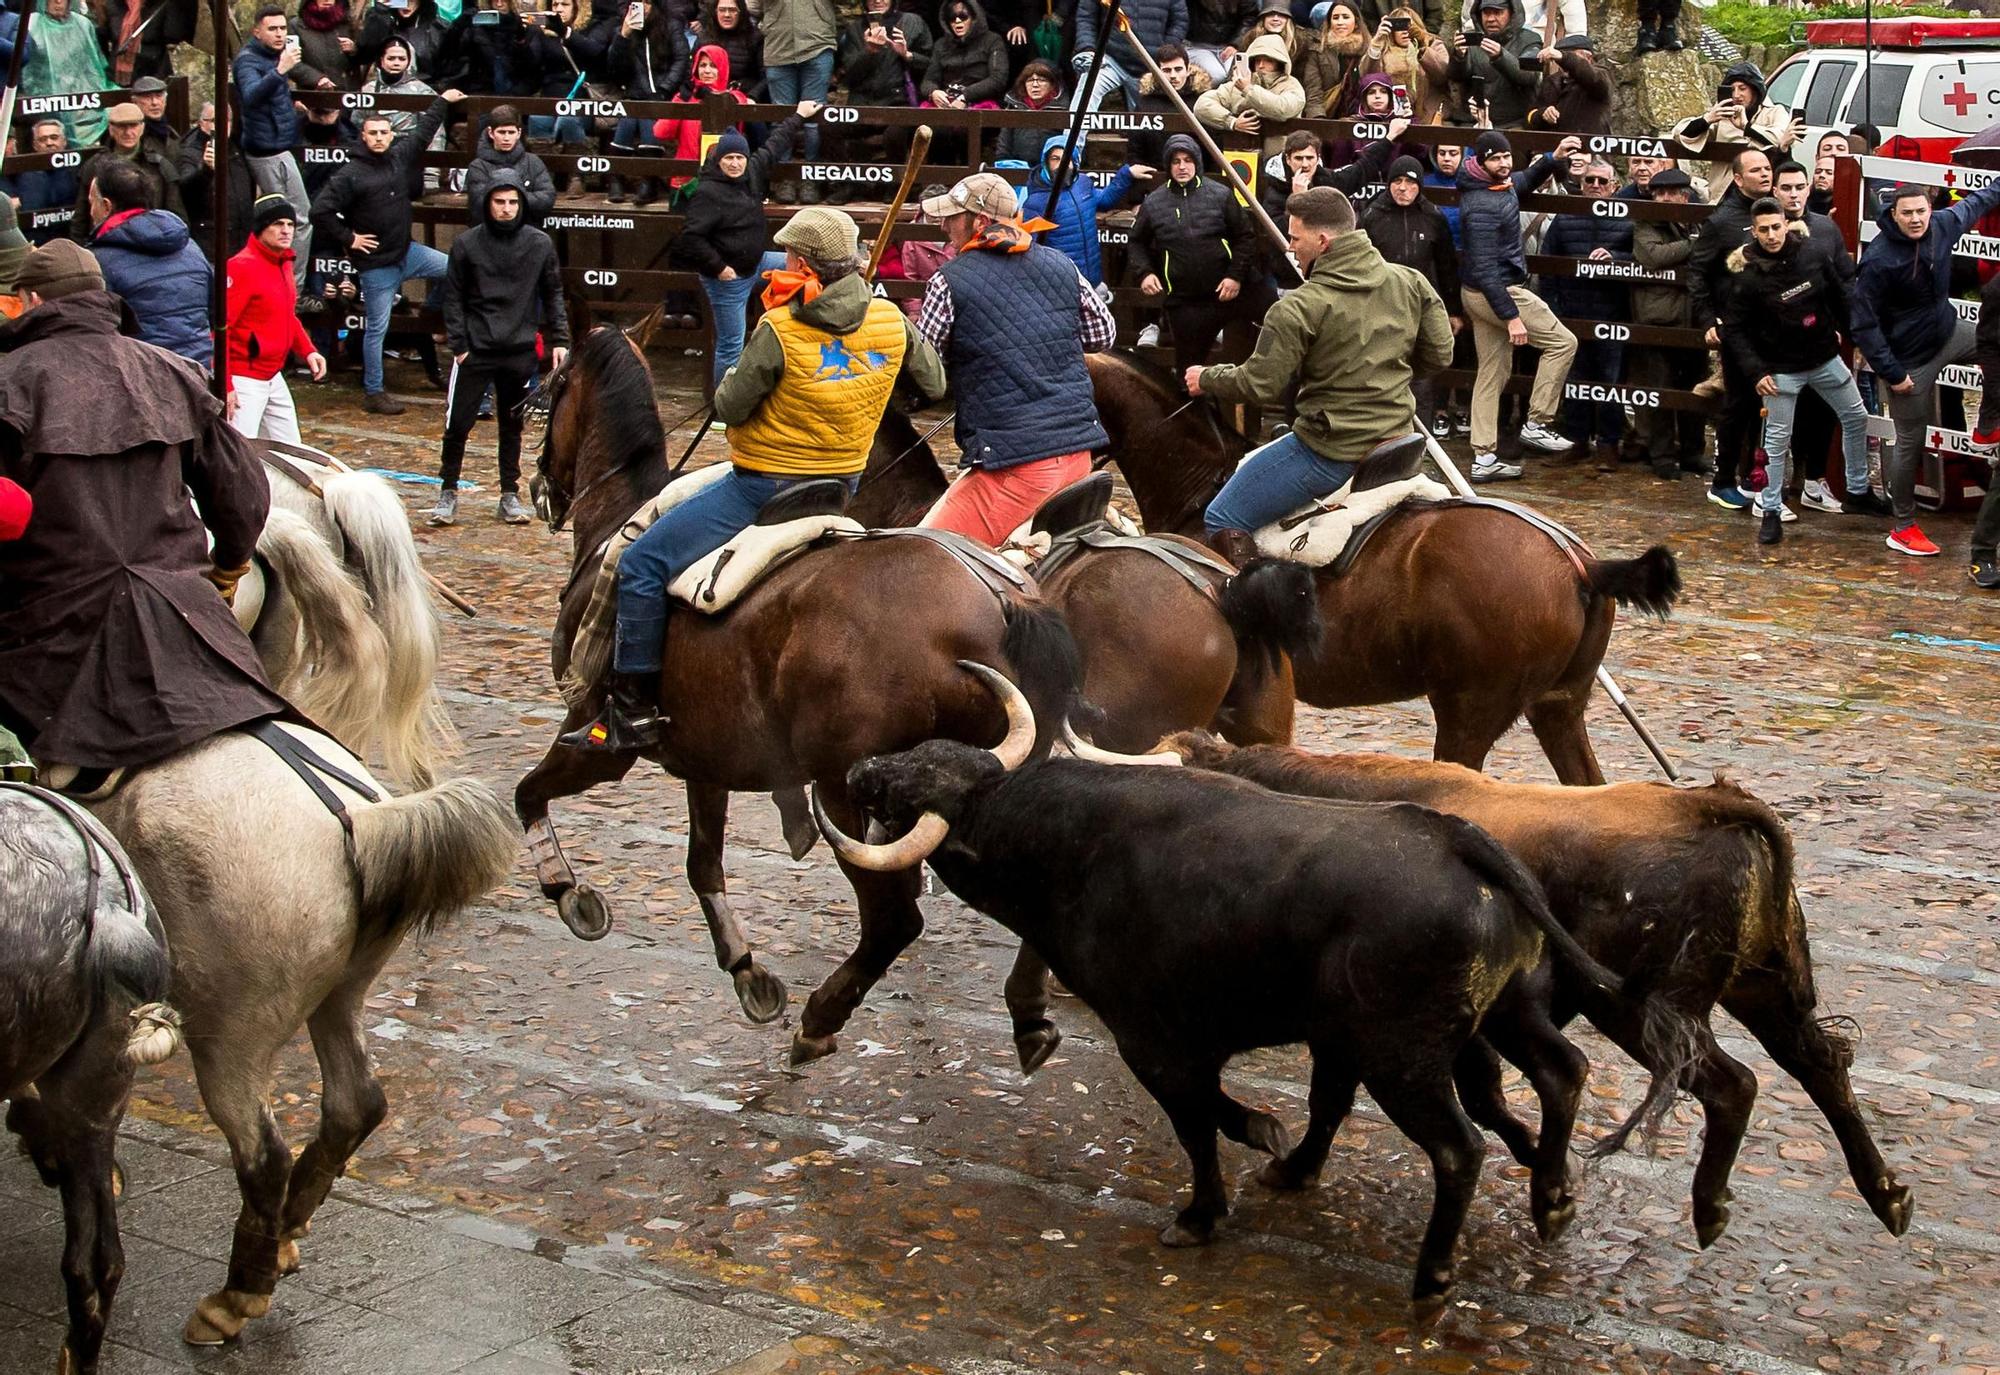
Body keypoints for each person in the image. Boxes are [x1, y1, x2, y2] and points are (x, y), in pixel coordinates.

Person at [558, 206, 946, 752]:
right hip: (842, 486)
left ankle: (632, 710)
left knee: (642, 563)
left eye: (788, 254)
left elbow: (729, 405)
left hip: (762, 487)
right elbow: (932, 384)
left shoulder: (780, 327)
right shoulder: (889, 318)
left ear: (803, 264)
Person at [0, 240, 288, 774]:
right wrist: (227, 571)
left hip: (46, 635)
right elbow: (244, 497)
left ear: (32, 299)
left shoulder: (6, 383)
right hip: (183, 611)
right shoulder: (173, 370)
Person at [1191, 186, 1451, 563]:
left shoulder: (1298, 306)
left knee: (1222, 516)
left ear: (1323, 240)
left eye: (1295, 238)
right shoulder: (1411, 282)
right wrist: (1386, 375)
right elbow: (1440, 354)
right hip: (1397, 438)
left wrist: (1208, 378)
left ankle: (1254, 613)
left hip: (1332, 451)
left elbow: (1261, 385)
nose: (1290, 248)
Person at [915, 172, 1115, 545]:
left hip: (1014, 465)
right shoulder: (1062, 265)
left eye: (952, 216)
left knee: (923, 556)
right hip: (1077, 455)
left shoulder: (948, 280)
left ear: (980, 222)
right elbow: (1103, 335)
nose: (943, 225)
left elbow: (927, 369)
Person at [1854, 177, 2000, 558]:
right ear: (1894, 214)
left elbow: (1980, 201)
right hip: (1908, 360)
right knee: (1909, 442)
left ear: (1930, 210)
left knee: (1997, 343)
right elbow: (1863, 324)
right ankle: (1903, 526)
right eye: (1908, 213)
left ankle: (1987, 425)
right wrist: (1891, 372)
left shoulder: (1942, 225)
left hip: (1949, 331)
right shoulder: (1879, 259)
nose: (1916, 219)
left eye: (1921, 211)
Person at [1719, 200, 1873, 549]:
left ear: (1787, 224)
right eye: (1764, 229)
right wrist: (1757, 371)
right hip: (1780, 370)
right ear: (1753, 231)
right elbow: (1735, 331)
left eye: (1776, 227)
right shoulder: (1746, 278)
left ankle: (1859, 489)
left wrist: (1855, 338)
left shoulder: (1814, 254)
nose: (1771, 235)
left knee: (1856, 415)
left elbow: (1840, 297)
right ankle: (1770, 509)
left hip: (1823, 358)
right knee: (1776, 441)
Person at [429, 170, 569, 527]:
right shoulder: (466, 244)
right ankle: (448, 490)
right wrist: (459, 346)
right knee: (458, 423)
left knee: (512, 425)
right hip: (476, 349)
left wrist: (560, 340)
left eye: (512, 202)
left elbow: (552, 293)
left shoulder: (538, 244)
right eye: (499, 201)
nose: (506, 209)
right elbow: (453, 297)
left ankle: (509, 493)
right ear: (487, 202)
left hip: (518, 349)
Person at [309, 92, 457, 413]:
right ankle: (374, 392)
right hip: (377, 266)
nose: (378, 138)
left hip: (408, 252)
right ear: (363, 135)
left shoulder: (398, 156)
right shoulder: (350, 174)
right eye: (372, 133)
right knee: (377, 328)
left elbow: (423, 131)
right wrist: (349, 238)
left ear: (391, 135)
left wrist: (442, 101)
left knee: (456, 268)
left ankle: (432, 310)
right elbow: (319, 211)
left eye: (383, 133)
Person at [1456, 129, 1578, 480]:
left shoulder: (1496, 184)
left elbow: (1522, 180)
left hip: (1480, 293)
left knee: (1491, 375)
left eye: (1507, 156)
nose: (1504, 163)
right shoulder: (1480, 205)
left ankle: (1483, 457)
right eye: (1496, 158)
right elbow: (1483, 266)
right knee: (1563, 343)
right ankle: (1538, 421)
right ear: (1481, 162)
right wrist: (1511, 317)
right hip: (1499, 291)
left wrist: (1553, 158)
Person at [667, 103, 812, 383]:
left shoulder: (751, 173)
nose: (735, 163)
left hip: (758, 262)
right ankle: (724, 411)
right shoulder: (708, 191)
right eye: (729, 158)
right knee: (731, 345)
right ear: (719, 160)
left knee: (808, 266)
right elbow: (690, 238)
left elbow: (773, 145)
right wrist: (720, 268)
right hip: (727, 278)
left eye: (739, 157)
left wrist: (799, 116)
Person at [1129, 135, 1273, 377]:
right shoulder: (1154, 202)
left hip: (1231, 290)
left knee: (1278, 312)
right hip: (1187, 301)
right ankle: (1192, 410)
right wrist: (1144, 272)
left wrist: (1235, 276)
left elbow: (1245, 236)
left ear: (1197, 162)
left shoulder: (1220, 194)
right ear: (1168, 165)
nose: (1182, 166)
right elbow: (1136, 242)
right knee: (1188, 373)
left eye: (1187, 160)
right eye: (1176, 161)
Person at [1687, 147, 1772, 510]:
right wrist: (1707, 318)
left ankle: (1753, 474)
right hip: (1736, 326)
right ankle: (1722, 480)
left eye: (1767, 168)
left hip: (1772, 326)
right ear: (1738, 178)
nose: (1765, 175)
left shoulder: (1773, 213)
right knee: (1737, 404)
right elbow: (1698, 272)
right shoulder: (1722, 222)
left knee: (1764, 406)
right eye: (1756, 170)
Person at [1540, 155, 1628, 460]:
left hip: (1611, 312)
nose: (1595, 185)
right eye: (1590, 180)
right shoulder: (1565, 217)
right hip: (1571, 312)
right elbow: (1547, 264)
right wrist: (1553, 307)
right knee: (1574, 380)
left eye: (1602, 181)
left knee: (1610, 382)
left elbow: (1640, 259)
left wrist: (1616, 259)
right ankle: (1575, 441)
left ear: (1614, 186)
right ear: (1581, 183)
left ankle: (1608, 445)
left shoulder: (1627, 218)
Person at [1360, 156, 1458, 429]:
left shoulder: (1433, 217)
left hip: (1421, 309)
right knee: (1378, 376)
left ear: (1419, 185)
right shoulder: (1372, 215)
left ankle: (1421, 443)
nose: (1403, 188)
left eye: (1410, 182)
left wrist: (1454, 311)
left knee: (1422, 381)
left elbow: (1447, 265)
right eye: (1397, 181)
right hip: (1379, 309)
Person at [87, 160, 213, 368]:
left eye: (92, 202)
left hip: (143, 380)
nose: (90, 211)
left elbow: (97, 334)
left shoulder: (98, 261)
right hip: (198, 372)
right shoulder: (190, 247)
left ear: (107, 206)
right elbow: (215, 312)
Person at [224, 194, 328, 443]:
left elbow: (286, 315)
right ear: (261, 228)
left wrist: (308, 350)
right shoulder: (241, 267)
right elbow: (220, 329)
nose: (286, 231)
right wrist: (226, 384)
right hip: (244, 378)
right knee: (239, 456)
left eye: (290, 224)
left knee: (292, 451)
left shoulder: (283, 262)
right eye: (277, 224)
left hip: (272, 375)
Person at [1629, 167, 1708, 480]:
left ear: (1684, 196)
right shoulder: (1646, 223)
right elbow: (1652, 256)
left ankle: (1692, 453)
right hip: (1659, 321)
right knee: (1659, 393)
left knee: (1694, 393)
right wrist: (1694, 245)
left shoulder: (1691, 221)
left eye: (1671, 193)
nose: (1663, 198)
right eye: (1659, 192)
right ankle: (1662, 456)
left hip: (1691, 321)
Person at [236, 6, 318, 286]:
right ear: (256, 31)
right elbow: (250, 97)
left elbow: (270, 98)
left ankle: (288, 283)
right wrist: (281, 69)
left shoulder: (273, 57)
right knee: (288, 221)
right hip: (266, 153)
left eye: (283, 28)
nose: (280, 34)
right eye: (273, 29)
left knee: (296, 219)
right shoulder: (248, 60)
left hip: (281, 148)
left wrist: (293, 108)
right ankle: (288, 285)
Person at [1019, 135, 1149, 289]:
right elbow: (1030, 253)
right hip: (1062, 287)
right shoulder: (1035, 202)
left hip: (1092, 280)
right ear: (1046, 162)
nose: (1061, 164)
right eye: (1055, 158)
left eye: (1066, 158)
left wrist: (1126, 174)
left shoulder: (1083, 183)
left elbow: (1104, 200)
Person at [607, 0, 692, 206]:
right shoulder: (623, 30)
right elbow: (614, 70)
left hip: (665, 94)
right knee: (630, 117)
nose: (641, 7)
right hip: (634, 96)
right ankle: (616, 178)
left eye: (646, 2)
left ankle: (648, 179)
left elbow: (681, 60)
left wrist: (664, 89)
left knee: (646, 116)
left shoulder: (670, 25)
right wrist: (623, 36)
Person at [1671, 61, 1800, 193]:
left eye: (1742, 89)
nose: (1736, 95)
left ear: (1755, 90)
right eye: (1732, 90)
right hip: (1723, 193)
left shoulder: (1775, 112)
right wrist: (1707, 119)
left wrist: (1746, 127)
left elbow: (1781, 139)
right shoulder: (1723, 116)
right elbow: (1679, 134)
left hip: (1764, 193)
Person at [71, 101, 185, 237]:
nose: (128, 132)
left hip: (150, 241)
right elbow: (81, 218)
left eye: (133, 126)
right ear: (111, 129)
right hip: (106, 243)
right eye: (122, 127)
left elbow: (176, 216)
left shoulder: (160, 166)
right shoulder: (94, 166)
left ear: (142, 127)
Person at [761, 0, 838, 197]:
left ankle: (810, 179)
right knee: (781, 117)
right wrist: (764, 25)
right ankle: (785, 177)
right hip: (778, 46)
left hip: (818, 44)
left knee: (814, 118)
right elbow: (751, 6)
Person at [20, 0, 112, 150]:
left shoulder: (83, 24)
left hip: (80, 95)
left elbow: (93, 67)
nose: (58, 2)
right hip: (42, 99)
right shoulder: (31, 24)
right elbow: (27, 73)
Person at [1071, 0, 1187, 113]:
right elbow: (1086, 18)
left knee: (1145, 122)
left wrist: (1165, 53)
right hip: (1110, 59)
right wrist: (1088, 48)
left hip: (1151, 65)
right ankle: (1070, 133)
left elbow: (1179, 21)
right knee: (1089, 86)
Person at [1447, 0, 1540, 131]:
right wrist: (1459, 56)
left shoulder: (1530, 40)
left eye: (1498, 12)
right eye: (1486, 13)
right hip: (1471, 122)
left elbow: (1529, 76)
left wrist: (1500, 56)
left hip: (1515, 124)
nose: (1491, 19)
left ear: (1512, 14)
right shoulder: (1472, 39)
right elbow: (1456, 77)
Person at [1193, 33, 1304, 134]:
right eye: (1257, 60)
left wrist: (1248, 89)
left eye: (1268, 60)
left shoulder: (1291, 85)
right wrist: (1232, 122)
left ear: (1280, 63)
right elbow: (1202, 105)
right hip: (1241, 152)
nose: (1261, 65)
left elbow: (1283, 109)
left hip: (1281, 152)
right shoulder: (1237, 85)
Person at [464, 104, 557, 223]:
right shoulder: (478, 166)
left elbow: (547, 199)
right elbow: (479, 204)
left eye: (511, 132)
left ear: (518, 133)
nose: (506, 138)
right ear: (491, 133)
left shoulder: (533, 162)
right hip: (490, 232)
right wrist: (523, 198)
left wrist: (505, 197)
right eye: (502, 132)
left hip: (528, 229)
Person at [1358, 6, 1448, 122]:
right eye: (1399, 26)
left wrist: (1422, 47)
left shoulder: (1433, 44)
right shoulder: (1382, 50)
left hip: (1429, 117)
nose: (1406, 31)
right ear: (1391, 30)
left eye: (1410, 26)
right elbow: (1366, 78)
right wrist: (1376, 43)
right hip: (1391, 119)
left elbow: (1443, 75)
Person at [1127, 44, 1211, 168]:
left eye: (1178, 69)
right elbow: (1135, 147)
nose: (1173, 76)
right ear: (1156, 72)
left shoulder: (1203, 100)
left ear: (1188, 70)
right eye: (1166, 70)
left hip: (1196, 177)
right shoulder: (1145, 103)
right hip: (1155, 177)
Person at [6, 121, 79, 246]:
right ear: (35, 145)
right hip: (35, 244)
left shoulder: (79, 170)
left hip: (71, 241)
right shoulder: (23, 174)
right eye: (43, 139)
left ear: (65, 141)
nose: (49, 143)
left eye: (54, 138)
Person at [1530, 32, 1607, 135]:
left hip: (1587, 145)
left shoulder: (1601, 76)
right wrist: (1543, 114)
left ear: (1588, 58)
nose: (1562, 64)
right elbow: (1530, 115)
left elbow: (1594, 79)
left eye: (1570, 55)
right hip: (1554, 146)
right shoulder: (1552, 81)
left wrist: (1564, 57)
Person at [993, 60, 1065, 165]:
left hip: (1051, 170)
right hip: (1017, 166)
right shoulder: (1014, 107)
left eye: (1042, 80)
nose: (1035, 85)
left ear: (1052, 85)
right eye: (1030, 80)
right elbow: (1004, 145)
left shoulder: (1063, 109)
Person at [1299, 1, 1364, 117]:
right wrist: (1319, 121)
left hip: (1361, 118)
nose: (1340, 22)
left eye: (1345, 17)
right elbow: (1314, 93)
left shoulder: (1368, 50)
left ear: (1356, 23)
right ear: (1329, 23)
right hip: (1327, 115)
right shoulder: (1317, 51)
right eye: (1335, 18)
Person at [292, 0, 363, 89]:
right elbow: (291, 62)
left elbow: (367, 55)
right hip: (312, 94)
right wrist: (316, 78)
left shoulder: (349, 22)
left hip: (348, 95)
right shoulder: (296, 26)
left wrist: (354, 49)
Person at [1185, 0, 1256, 84]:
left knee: (1237, 75)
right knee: (1217, 77)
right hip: (1197, 45)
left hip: (1229, 45)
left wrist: (1235, 44)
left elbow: (1250, 18)